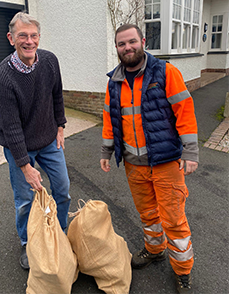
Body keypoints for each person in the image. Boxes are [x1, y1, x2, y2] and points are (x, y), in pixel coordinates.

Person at [101, 24, 197, 293]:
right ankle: (155, 249)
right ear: (117, 48)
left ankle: (182, 270)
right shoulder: (114, 81)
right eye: (122, 44)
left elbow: (184, 110)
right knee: (148, 214)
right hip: (134, 164)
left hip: (166, 162)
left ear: (142, 41)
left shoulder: (165, 72)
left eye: (132, 42)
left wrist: (190, 150)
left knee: (174, 220)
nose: (127, 47)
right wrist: (106, 151)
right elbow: (110, 118)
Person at [0, 12, 70, 270]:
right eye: (22, 36)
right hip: (19, 146)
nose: (29, 41)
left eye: (33, 35)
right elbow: (11, 127)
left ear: (39, 37)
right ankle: (28, 242)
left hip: (49, 139)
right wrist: (26, 166)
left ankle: (60, 232)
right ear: (11, 38)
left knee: (62, 188)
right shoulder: (4, 76)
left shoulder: (49, 61)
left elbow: (57, 94)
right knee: (25, 198)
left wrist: (60, 126)